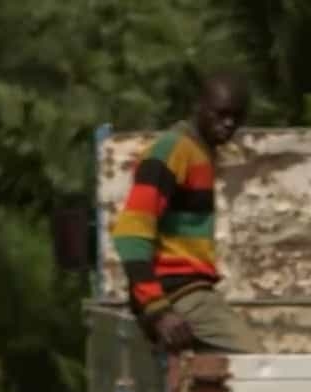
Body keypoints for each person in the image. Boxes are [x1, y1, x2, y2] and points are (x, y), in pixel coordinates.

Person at [109, 71, 263, 355]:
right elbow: (130, 233)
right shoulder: (173, 150)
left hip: (188, 292)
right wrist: (157, 309)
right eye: (221, 114)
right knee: (257, 368)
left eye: (236, 117)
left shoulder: (200, 153)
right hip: (179, 293)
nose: (228, 124)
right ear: (199, 106)